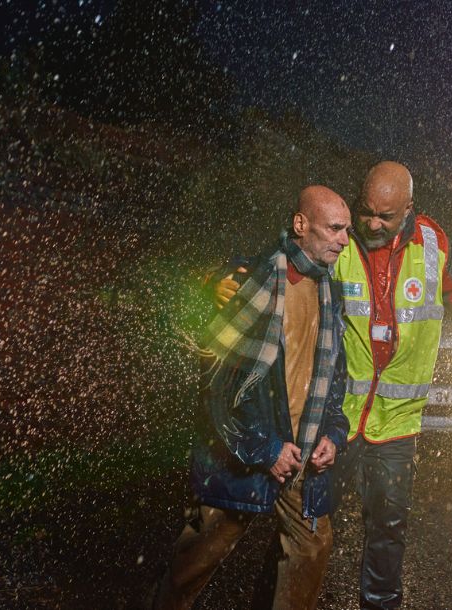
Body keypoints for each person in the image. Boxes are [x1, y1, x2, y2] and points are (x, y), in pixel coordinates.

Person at [215, 162, 452, 609]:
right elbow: (285, 262)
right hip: (337, 421)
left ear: (409, 210)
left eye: (385, 216)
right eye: (366, 211)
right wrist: (234, 276)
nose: (371, 223)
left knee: (387, 536)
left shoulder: (433, 244)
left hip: (396, 426)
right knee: (303, 529)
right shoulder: (341, 239)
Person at [153, 185, 351, 610]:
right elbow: (220, 384)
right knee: (198, 557)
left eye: (346, 230)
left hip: (302, 453)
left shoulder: (332, 291)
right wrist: (264, 447)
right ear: (301, 225)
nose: (344, 240)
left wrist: (333, 432)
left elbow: (337, 377)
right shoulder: (257, 280)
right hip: (244, 452)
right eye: (335, 229)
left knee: (312, 547)